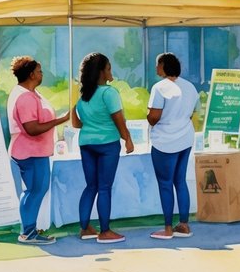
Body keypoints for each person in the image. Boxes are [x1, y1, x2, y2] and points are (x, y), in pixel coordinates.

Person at [71, 52, 135, 243]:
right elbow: (119, 120)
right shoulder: (110, 93)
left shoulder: (83, 96)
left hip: (86, 143)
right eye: (108, 68)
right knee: (105, 187)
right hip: (107, 144)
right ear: (101, 72)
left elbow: (76, 124)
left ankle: (85, 229)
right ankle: (105, 231)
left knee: (91, 186)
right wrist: (128, 139)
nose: (110, 72)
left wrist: (92, 126)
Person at [7, 56, 69, 245]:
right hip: (29, 152)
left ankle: (30, 229)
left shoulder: (31, 93)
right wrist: (62, 119)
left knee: (36, 189)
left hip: (36, 152)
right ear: (32, 74)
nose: (42, 74)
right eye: (40, 71)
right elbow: (32, 128)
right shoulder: (24, 97)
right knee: (35, 190)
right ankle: (28, 232)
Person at [146, 53, 199, 240]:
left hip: (164, 141)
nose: (155, 68)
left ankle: (167, 228)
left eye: (157, 64)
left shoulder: (159, 88)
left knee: (165, 184)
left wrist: (149, 117)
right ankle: (184, 225)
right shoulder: (190, 87)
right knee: (180, 181)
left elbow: (154, 117)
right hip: (185, 138)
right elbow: (193, 112)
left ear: (163, 66)